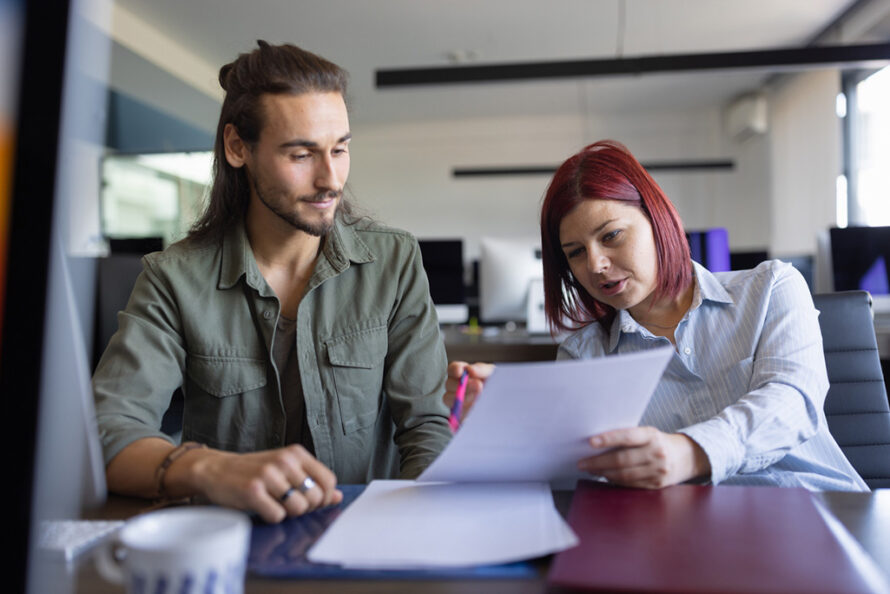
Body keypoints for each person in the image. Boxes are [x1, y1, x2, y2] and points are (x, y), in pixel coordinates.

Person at [93, 41, 452, 523]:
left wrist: (409, 529)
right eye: (302, 154)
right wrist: (207, 469)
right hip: (230, 540)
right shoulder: (172, 279)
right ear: (238, 147)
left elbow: (425, 426)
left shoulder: (394, 260)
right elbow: (107, 431)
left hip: (367, 535)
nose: (331, 180)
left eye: (340, 149)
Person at [445, 140, 867, 492]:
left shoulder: (771, 288)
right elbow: (577, 476)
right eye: (575, 253)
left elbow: (792, 400)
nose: (595, 264)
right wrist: (501, 425)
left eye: (611, 236)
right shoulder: (585, 354)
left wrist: (691, 451)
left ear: (657, 219)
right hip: (689, 538)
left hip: (818, 508)